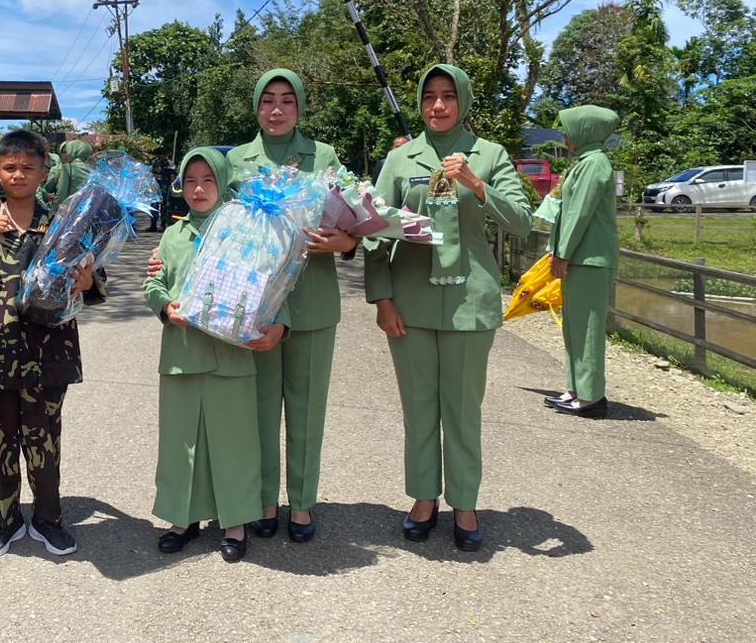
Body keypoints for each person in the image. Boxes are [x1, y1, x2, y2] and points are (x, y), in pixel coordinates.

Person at [365, 64, 532, 551]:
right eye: (429, 96)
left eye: (448, 96)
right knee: (418, 409)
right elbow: (373, 229)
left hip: (469, 303)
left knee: (462, 411)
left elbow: (522, 221)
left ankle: (464, 502)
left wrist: (477, 184)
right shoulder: (401, 158)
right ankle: (423, 499)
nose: (438, 105)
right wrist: (381, 297)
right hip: (410, 302)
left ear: (463, 100)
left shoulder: (490, 155)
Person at [225, 69, 357, 542]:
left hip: (313, 301)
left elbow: (355, 219)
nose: (276, 110)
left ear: (299, 107)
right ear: (256, 107)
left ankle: (301, 504)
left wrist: (344, 243)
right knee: (259, 410)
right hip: (257, 305)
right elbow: (217, 224)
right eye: (268, 100)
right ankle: (264, 501)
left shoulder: (324, 156)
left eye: (287, 100)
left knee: (307, 411)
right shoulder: (237, 160)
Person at [0, 130, 95, 558]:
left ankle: (48, 519)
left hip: (47, 354)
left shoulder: (62, 223)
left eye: (28, 167)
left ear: (44, 172)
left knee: (44, 441)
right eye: (10, 167)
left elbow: (91, 275)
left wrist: (88, 282)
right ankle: (4, 520)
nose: (19, 175)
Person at [143, 147, 285, 563]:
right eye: (190, 181)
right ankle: (182, 519)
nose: (199, 189)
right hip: (182, 354)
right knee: (180, 443)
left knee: (234, 443)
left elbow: (274, 283)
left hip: (231, 356)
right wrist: (165, 306)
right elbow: (153, 283)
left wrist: (280, 325)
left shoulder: (246, 231)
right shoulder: (173, 235)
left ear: (223, 184)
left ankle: (235, 522)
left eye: (208, 180)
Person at [544, 105, 620, 417]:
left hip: (590, 258)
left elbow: (579, 213)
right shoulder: (586, 162)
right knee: (574, 326)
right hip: (581, 256)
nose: (565, 137)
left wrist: (563, 253)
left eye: (570, 131)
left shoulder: (595, 164)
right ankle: (577, 389)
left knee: (587, 327)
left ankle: (591, 397)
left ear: (585, 131)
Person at [51, 139, 93, 205]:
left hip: (71, 206)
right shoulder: (93, 168)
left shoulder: (68, 167)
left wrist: (53, 205)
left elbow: (61, 192)